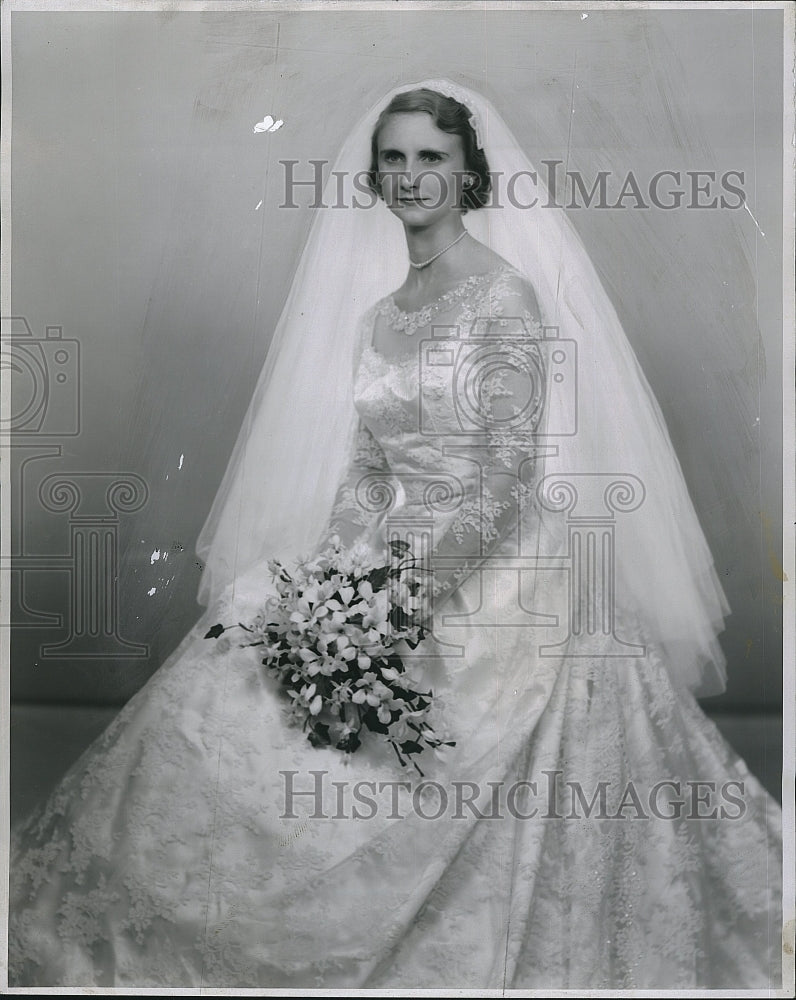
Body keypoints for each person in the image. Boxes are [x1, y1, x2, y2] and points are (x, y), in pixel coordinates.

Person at [7, 79, 782, 990]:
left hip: (493, 566)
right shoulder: (379, 316)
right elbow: (371, 473)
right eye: (396, 159)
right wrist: (333, 581)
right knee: (244, 677)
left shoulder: (503, 297)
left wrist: (403, 597)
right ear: (375, 176)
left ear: (468, 174)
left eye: (432, 159)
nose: (412, 177)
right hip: (380, 557)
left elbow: (506, 477)